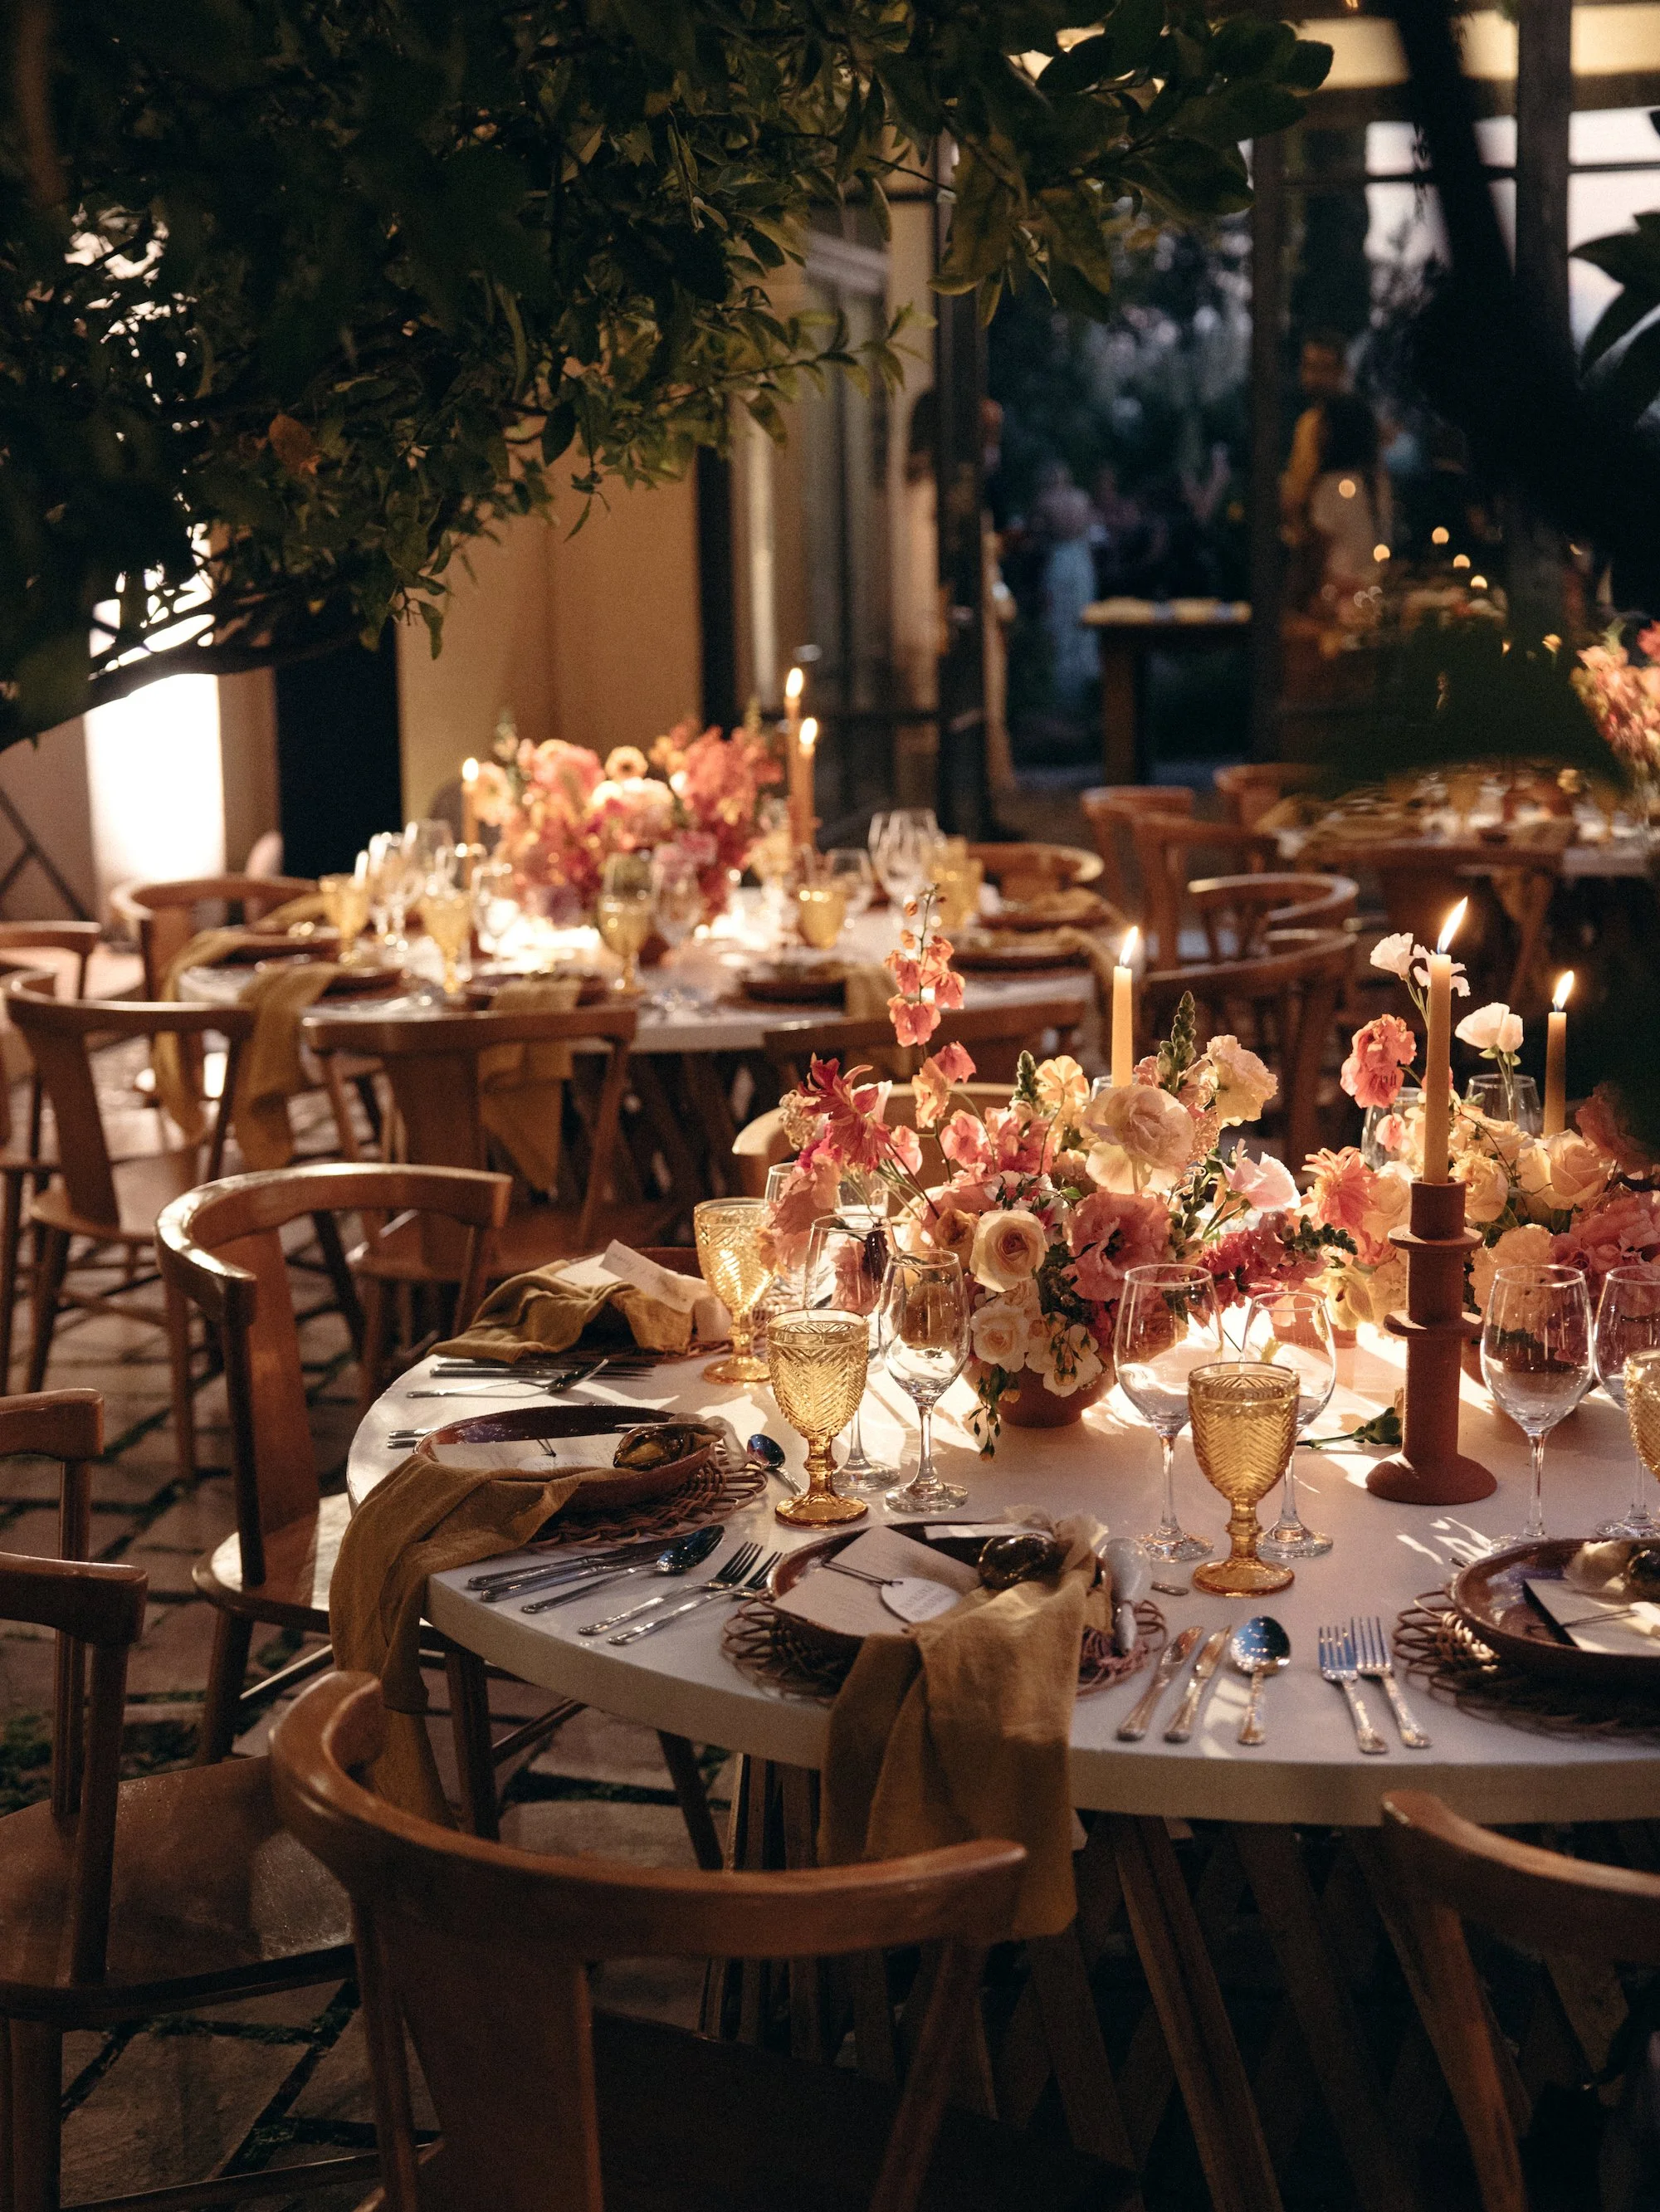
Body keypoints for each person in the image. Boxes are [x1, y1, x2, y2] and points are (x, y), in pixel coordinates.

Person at [1304, 393, 1391, 597]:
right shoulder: (1377, 482)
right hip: (1373, 586)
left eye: (1323, 424)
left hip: (1337, 592)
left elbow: (1320, 548)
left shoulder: (1330, 485)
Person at [1279, 330, 1350, 547]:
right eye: (1309, 367)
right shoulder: (1302, 420)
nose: (1314, 378)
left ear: (1341, 372)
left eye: (1324, 369)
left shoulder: (1348, 424)